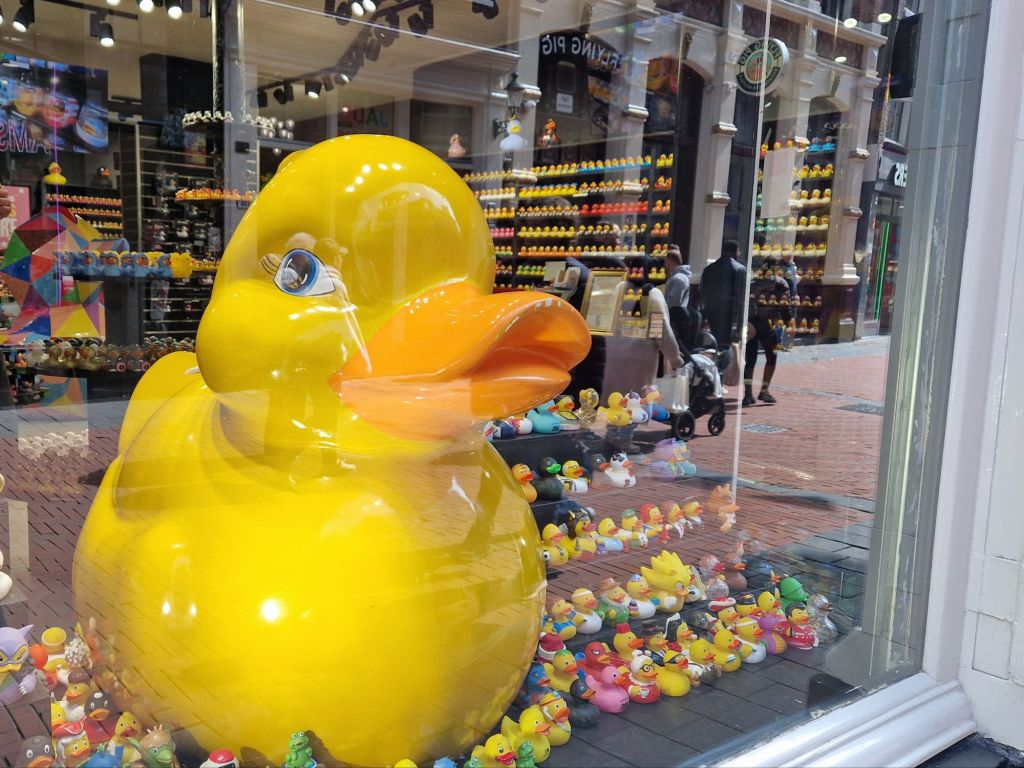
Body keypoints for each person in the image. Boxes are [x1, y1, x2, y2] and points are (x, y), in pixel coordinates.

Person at [743, 261, 790, 406]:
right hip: (770, 324)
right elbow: (785, 306)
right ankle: (764, 390)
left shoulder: (752, 282)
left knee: (750, 359)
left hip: (752, 323)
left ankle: (748, 394)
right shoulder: (780, 283)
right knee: (771, 357)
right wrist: (788, 323)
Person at [699, 240, 747, 366]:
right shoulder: (740, 269)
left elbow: (702, 293)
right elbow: (740, 297)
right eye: (738, 251)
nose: (740, 254)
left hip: (711, 314)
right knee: (726, 349)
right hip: (730, 316)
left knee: (714, 345)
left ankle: (715, 369)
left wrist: (704, 314)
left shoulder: (709, 269)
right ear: (735, 251)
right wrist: (739, 324)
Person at [662, 243, 691, 310]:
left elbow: (675, 302)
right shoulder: (677, 277)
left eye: (666, 260)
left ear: (670, 261)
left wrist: (665, 310)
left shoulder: (678, 279)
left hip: (674, 315)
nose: (664, 263)